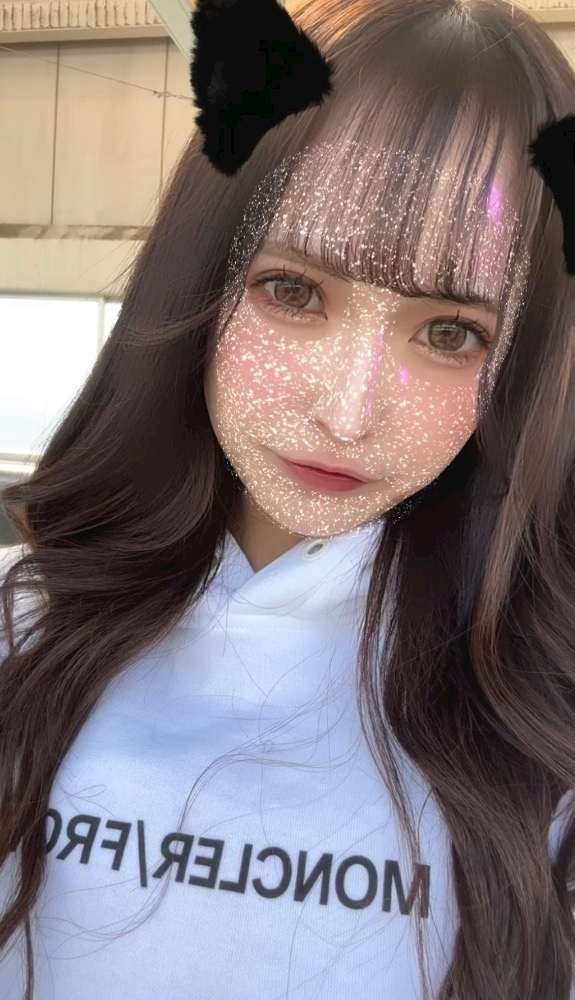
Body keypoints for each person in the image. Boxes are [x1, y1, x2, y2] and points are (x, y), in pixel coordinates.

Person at [1, 0, 575, 997]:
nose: (347, 414)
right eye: (294, 291)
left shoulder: (540, 711)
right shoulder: (21, 633)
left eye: (448, 333)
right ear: (198, 278)